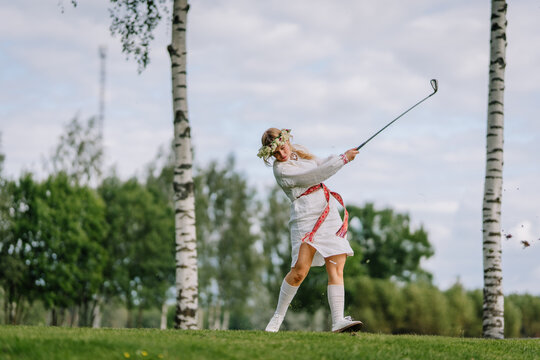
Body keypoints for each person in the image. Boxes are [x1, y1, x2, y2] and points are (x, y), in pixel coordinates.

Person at [258, 128, 363, 333]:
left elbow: (320, 164)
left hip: (327, 210)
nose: (281, 154)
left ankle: (338, 320)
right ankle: (277, 317)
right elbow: (314, 175)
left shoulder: (300, 152)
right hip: (305, 216)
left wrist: (340, 156)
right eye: (275, 154)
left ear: (286, 141)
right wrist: (343, 160)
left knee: (336, 265)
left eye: (282, 148)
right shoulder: (281, 170)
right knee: (299, 272)